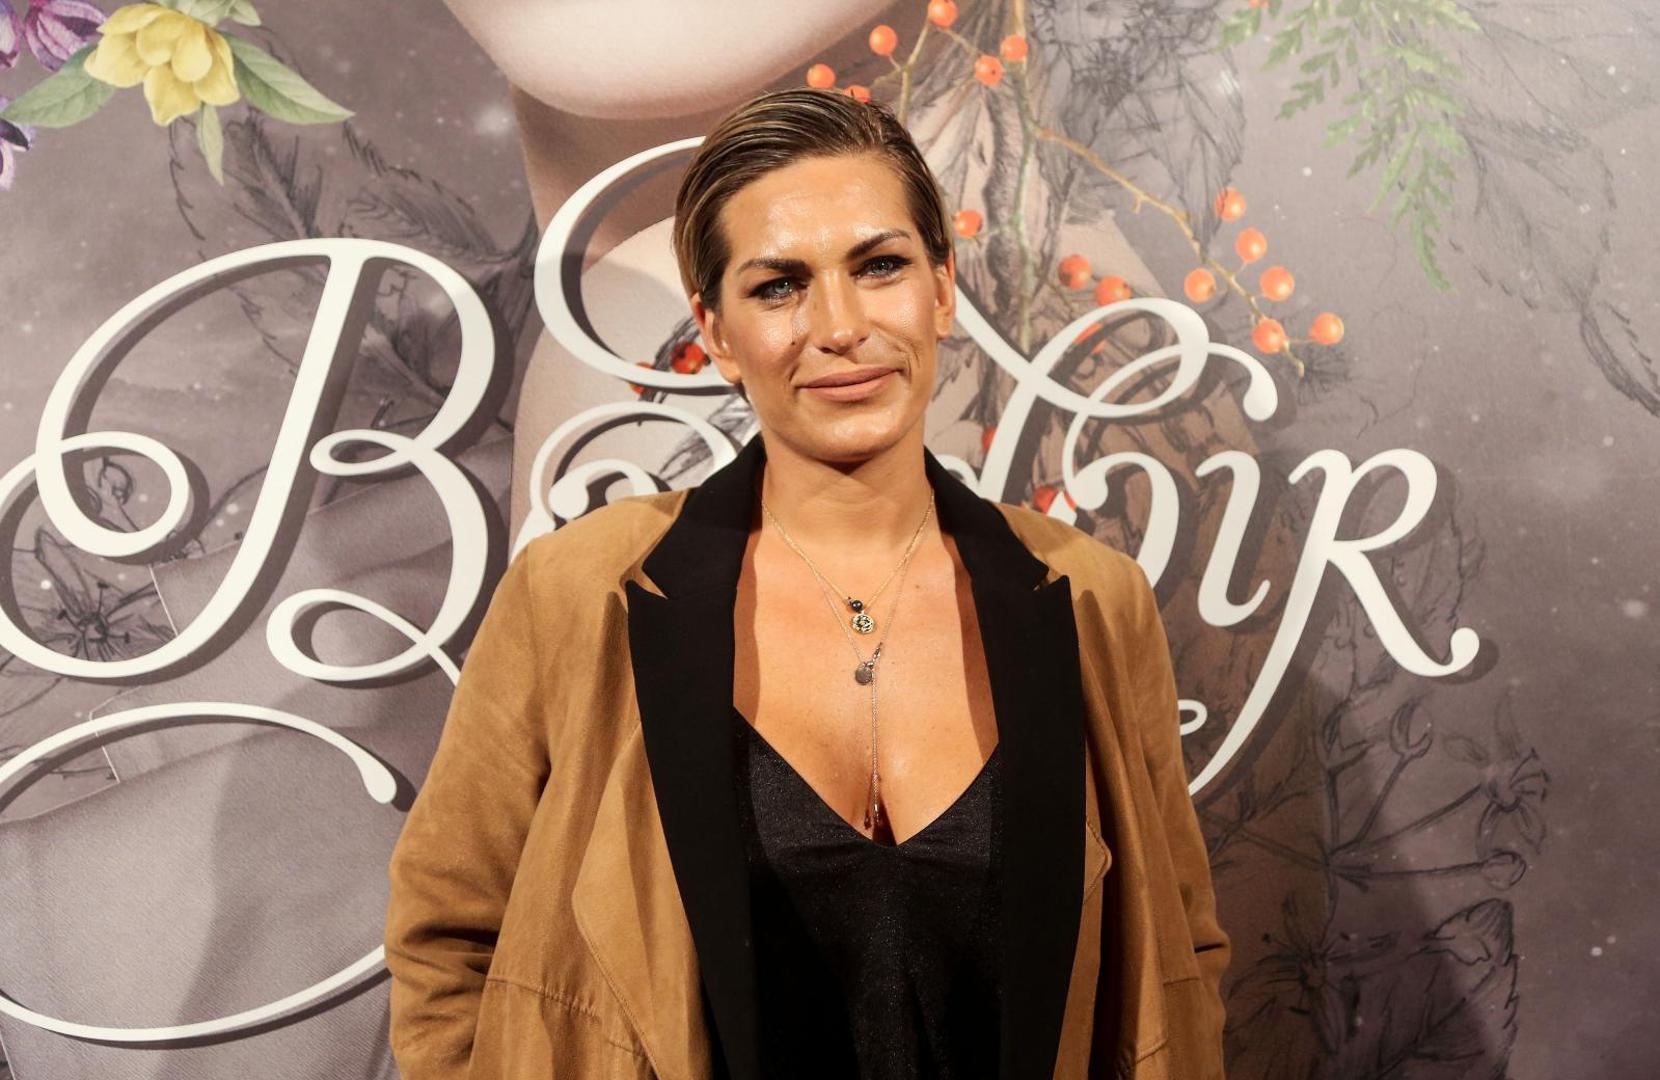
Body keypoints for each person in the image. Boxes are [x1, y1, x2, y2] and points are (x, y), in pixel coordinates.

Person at [384, 88, 1229, 1079]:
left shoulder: (1090, 599)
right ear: (716, 332)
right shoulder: (579, 593)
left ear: (942, 290)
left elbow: (1176, 953)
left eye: (879, 267)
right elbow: (447, 938)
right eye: (779, 286)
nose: (839, 326)